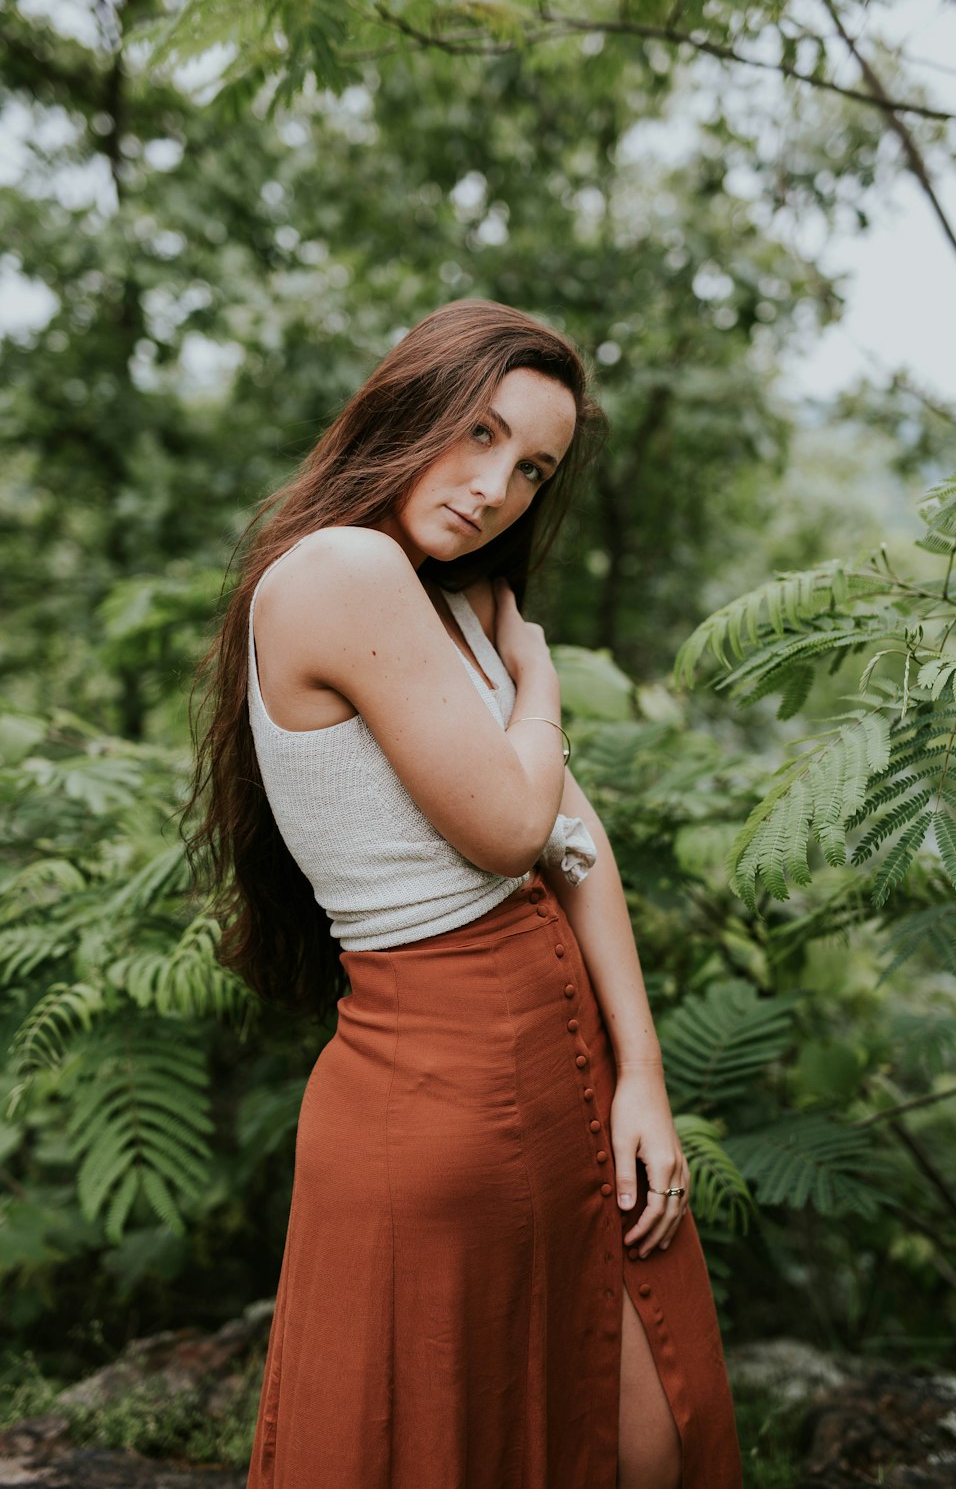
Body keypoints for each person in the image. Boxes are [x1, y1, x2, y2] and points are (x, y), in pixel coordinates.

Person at [189, 298, 742, 1489]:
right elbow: (509, 831)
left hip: (558, 1068)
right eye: (478, 434)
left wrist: (642, 1077)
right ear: (410, 407)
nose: (497, 487)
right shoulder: (343, 569)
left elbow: (575, 840)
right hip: (436, 1091)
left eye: (533, 466)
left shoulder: (445, 599)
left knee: (643, 1430)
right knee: (453, 1439)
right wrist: (539, 685)